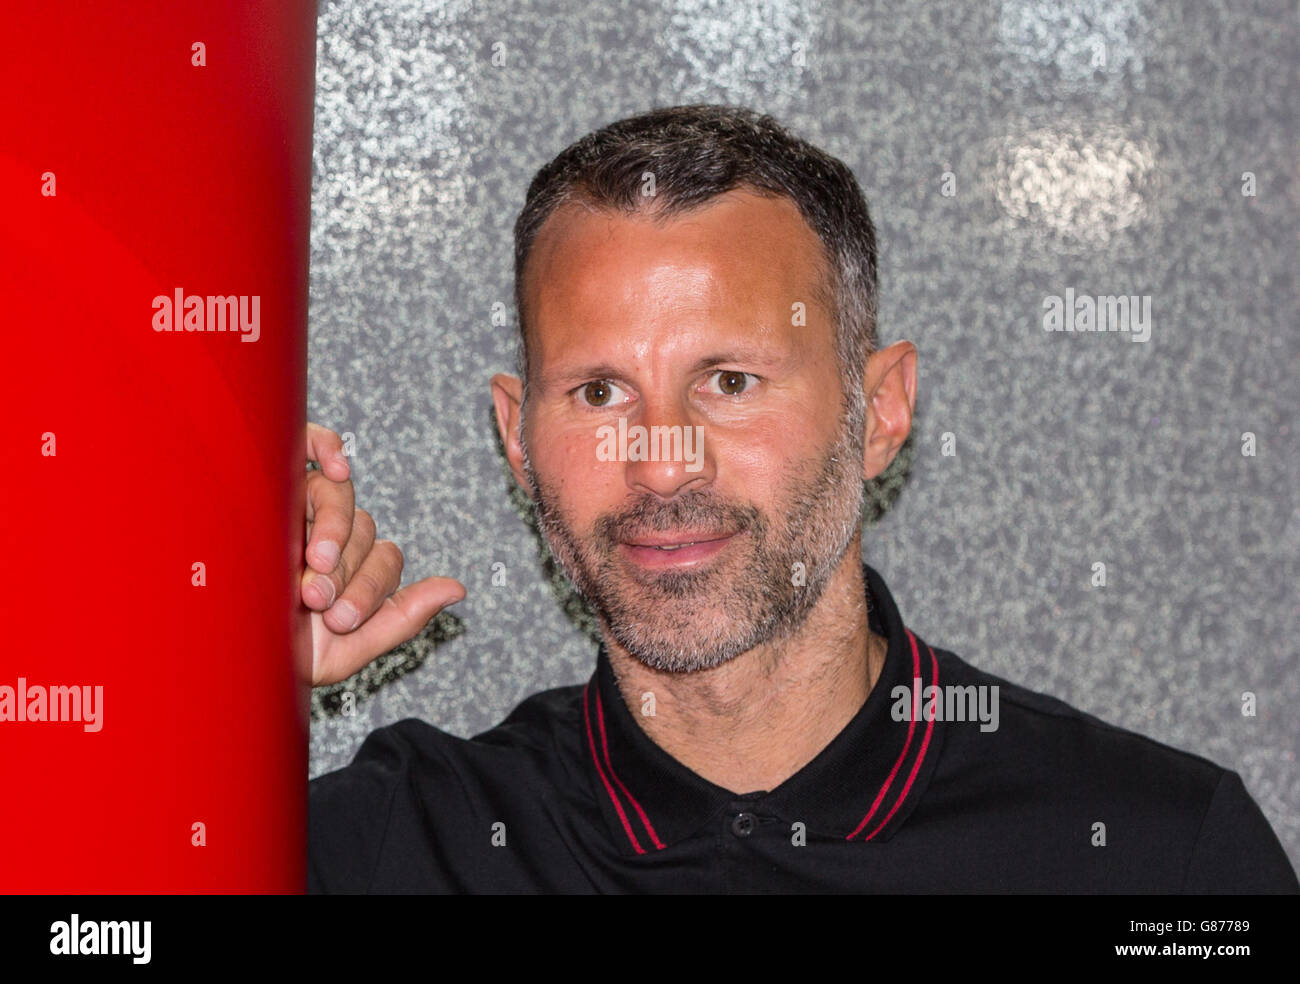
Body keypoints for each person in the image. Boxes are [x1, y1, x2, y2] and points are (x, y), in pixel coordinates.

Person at [304, 104, 1298, 893]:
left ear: (880, 411)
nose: (662, 465)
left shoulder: (1155, 858)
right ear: (517, 438)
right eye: (599, 392)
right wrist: (216, 689)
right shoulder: (393, 846)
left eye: (729, 381)